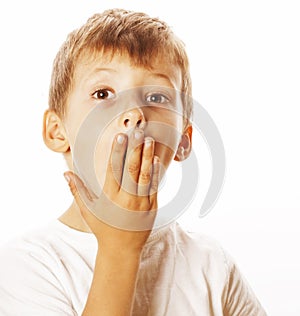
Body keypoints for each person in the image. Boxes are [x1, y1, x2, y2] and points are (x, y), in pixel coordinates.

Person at [0, 8, 267, 315]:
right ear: (57, 131)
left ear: (183, 141)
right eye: (103, 93)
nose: (135, 114)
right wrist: (119, 249)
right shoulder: (27, 265)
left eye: (156, 97)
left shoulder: (212, 265)